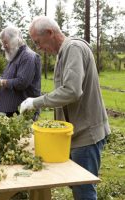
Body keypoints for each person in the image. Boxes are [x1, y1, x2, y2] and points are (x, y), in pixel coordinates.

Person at [20, 16, 110, 199]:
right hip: (76, 133)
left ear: (50, 33)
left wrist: (35, 102)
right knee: (78, 187)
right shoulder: (64, 52)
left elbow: (71, 91)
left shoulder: (73, 48)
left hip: (87, 135)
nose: (38, 48)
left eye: (38, 42)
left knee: (84, 191)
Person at [0, 26, 41, 118]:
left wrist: (0, 82)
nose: (3, 46)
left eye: (5, 42)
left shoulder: (27, 56)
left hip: (21, 111)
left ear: (16, 40)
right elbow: (8, 77)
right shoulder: (14, 55)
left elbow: (22, 82)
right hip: (10, 110)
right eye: (2, 43)